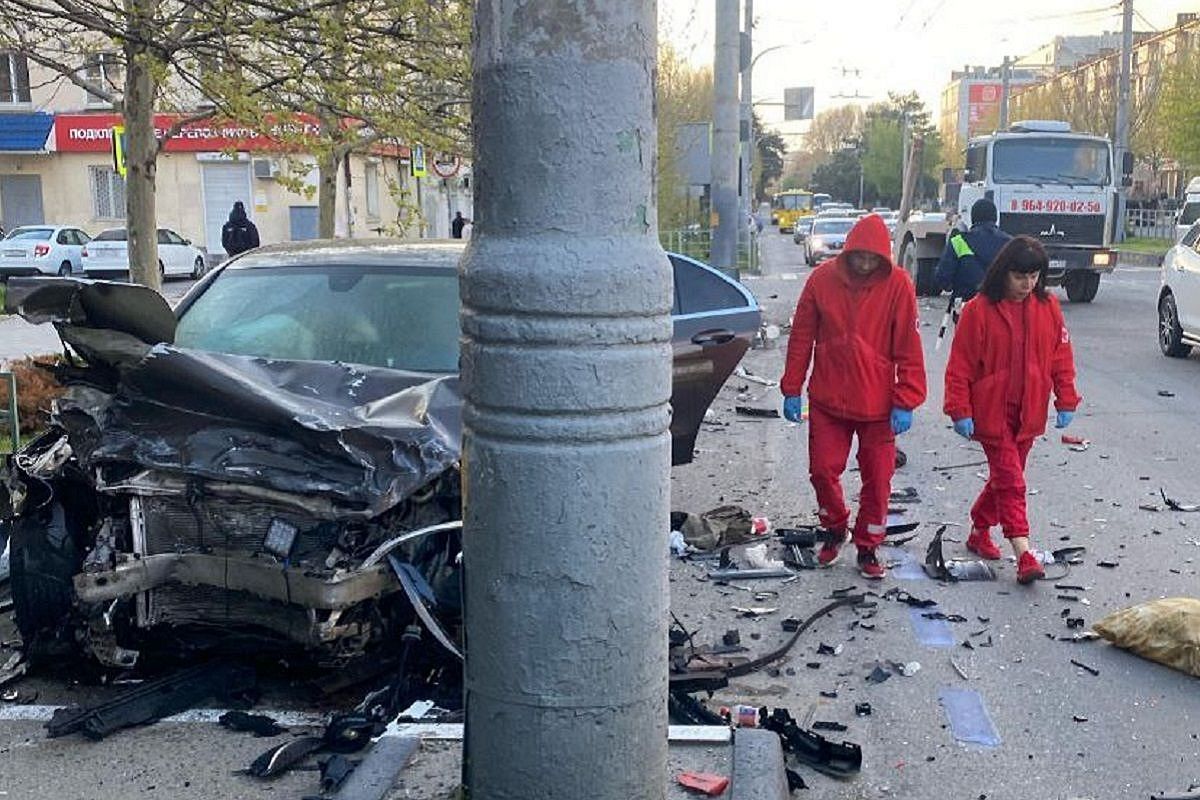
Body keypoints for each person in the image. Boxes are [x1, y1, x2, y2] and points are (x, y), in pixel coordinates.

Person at [780, 214, 927, 580]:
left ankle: (868, 545)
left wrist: (906, 399)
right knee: (822, 471)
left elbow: (909, 347)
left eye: (871, 258)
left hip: (878, 405)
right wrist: (791, 387)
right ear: (848, 252)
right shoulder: (821, 280)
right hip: (828, 399)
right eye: (859, 256)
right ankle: (835, 528)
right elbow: (801, 337)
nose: (864, 264)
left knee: (878, 480)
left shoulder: (898, 286)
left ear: (882, 258)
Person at [943, 235, 1081, 584]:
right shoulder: (978, 310)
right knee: (1012, 482)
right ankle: (1024, 554)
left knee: (1005, 479)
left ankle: (979, 529)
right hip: (991, 411)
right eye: (1020, 276)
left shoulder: (1048, 307)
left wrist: (1066, 399)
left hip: (1029, 411)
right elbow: (960, 366)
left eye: (1033, 276)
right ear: (1003, 272)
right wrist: (959, 409)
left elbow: (1061, 358)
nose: (1027, 284)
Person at [935, 198, 1011, 301]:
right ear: (995, 218)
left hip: (965, 303)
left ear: (972, 218)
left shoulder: (958, 241)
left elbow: (943, 278)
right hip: (1000, 305)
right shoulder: (1010, 243)